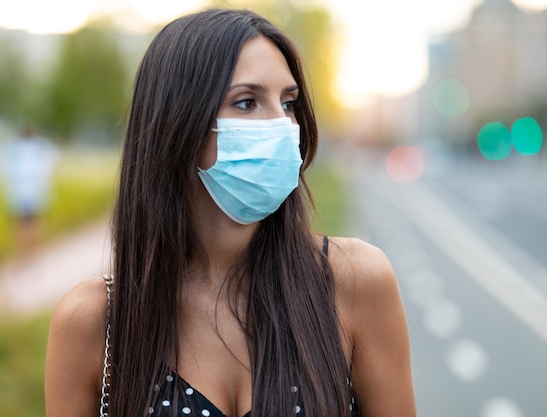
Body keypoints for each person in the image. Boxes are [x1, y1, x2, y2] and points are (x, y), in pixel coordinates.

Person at [44, 8, 416, 417]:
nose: (282, 125)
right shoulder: (95, 321)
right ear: (177, 124)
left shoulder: (354, 281)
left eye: (289, 103)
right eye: (247, 102)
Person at [0, 125, 58, 255]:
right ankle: (32, 251)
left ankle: (28, 251)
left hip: (26, 189)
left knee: (26, 222)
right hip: (28, 189)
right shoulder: (38, 147)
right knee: (32, 221)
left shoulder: (15, 148)